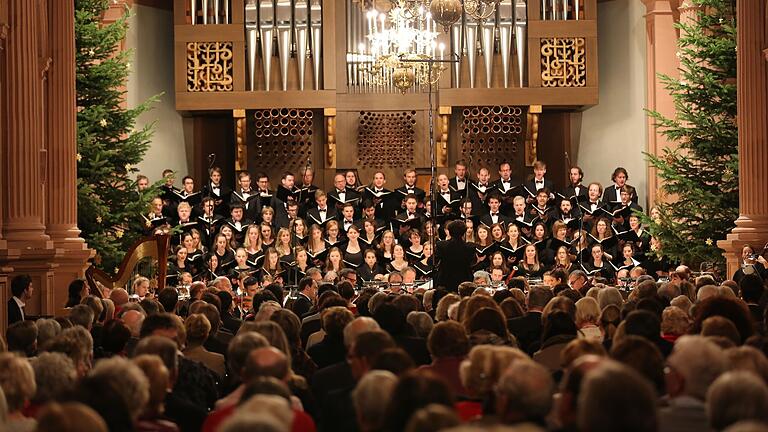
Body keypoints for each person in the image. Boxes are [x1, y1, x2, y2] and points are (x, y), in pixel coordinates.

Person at [434, 220, 476, 292]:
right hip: (464, 281)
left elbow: (434, 261)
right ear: (464, 232)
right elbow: (473, 262)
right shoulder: (470, 247)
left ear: (449, 232)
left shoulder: (441, 245)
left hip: (445, 281)